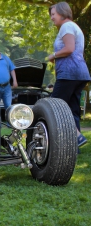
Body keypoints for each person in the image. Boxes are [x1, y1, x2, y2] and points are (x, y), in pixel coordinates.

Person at [47, 2, 91, 148]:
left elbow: (69, 48)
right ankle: (72, 148)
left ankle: (77, 136)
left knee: (55, 107)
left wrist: (53, 55)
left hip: (69, 74)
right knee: (72, 110)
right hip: (80, 73)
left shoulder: (66, 26)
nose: (52, 18)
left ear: (61, 12)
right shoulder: (74, 26)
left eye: (53, 14)